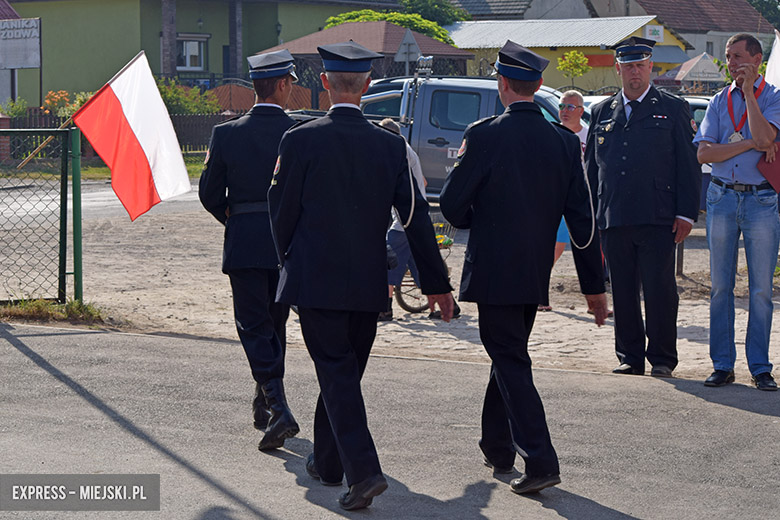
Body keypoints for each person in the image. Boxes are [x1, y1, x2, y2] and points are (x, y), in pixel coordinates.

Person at [268, 41, 455, 510]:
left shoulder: (300, 139)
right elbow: (414, 219)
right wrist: (437, 283)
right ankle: (330, 464)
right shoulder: (390, 145)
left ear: (326, 83)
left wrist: (287, 259)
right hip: (368, 281)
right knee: (344, 374)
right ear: (368, 86)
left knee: (337, 374)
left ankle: (364, 472)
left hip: (316, 279)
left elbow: (280, 212)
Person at [440, 41, 609, 495]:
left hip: (494, 267)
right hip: (535, 268)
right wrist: (595, 286)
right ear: (538, 86)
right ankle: (497, 445)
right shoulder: (562, 140)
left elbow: (454, 207)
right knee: (508, 352)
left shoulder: (485, 133)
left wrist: (486, 218)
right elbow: (583, 220)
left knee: (510, 356)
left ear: (502, 84)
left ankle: (540, 458)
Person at [199, 49, 300, 451]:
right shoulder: (298, 133)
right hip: (286, 243)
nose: (291, 87)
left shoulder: (227, 134)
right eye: (290, 82)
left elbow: (209, 195)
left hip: (244, 239)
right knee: (275, 326)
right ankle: (268, 401)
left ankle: (275, 406)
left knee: (254, 326)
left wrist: (237, 218)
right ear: (281, 85)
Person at [585, 37, 701, 378]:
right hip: (615, 214)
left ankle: (663, 357)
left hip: (658, 215)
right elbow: (593, 168)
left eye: (640, 65)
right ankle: (629, 355)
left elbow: (688, 165)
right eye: (628, 66)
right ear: (617, 69)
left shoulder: (673, 107)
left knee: (659, 290)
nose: (634, 72)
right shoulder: (602, 111)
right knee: (622, 289)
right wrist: (591, 214)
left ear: (650, 67)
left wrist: (685, 213)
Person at [693, 33, 780, 391]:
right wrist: (749, 144)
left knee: (760, 289)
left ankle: (759, 366)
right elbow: (704, 155)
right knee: (720, 287)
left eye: (737, 56)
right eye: (728, 57)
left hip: (761, 201)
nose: (730, 63)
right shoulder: (716, 100)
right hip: (722, 198)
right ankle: (722, 364)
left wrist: (748, 96)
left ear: (757, 60)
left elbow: (766, 136)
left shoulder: (773, 97)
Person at [378, 118, 461, 321]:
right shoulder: (406, 150)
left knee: (388, 261)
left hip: (404, 221)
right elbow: (421, 181)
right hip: (411, 219)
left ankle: (385, 308)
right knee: (419, 266)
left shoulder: (399, 150)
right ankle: (450, 305)